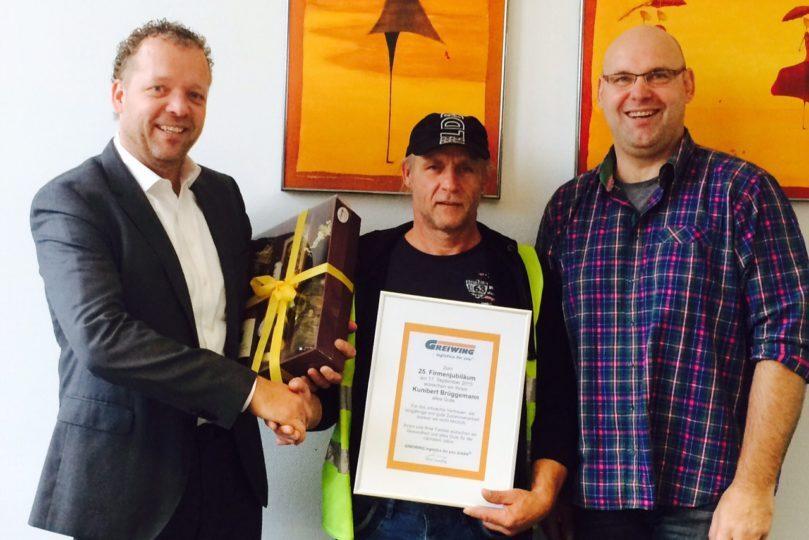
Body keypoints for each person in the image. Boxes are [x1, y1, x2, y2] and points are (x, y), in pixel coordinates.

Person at [28, 19, 351, 539]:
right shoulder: (72, 200)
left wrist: (304, 362)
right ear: (119, 95)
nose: (179, 107)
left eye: (195, 94)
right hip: (126, 485)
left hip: (228, 473)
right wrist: (252, 392)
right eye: (159, 88)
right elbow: (102, 339)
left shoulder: (221, 195)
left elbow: (247, 321)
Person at [536, 25, 809, 540]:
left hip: (708, 501)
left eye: (657, 75)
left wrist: (754, 486)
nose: (639, 92)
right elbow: (554, 362)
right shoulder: (567, 211)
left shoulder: (743, 193)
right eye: (622, 78)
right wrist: (551, 485)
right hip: (594, 500)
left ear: (688, 84)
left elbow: (787, 342)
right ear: (601, 92)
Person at [308, 112, 578, 539]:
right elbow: (324, 392)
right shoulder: (360, 263)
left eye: (465, 168)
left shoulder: (525, 271)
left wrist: (543, 497)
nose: (450, 183)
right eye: (434, 167)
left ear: (485, 178)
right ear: (407, 174)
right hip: (381, 513)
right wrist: (300, 405)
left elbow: (558, 401)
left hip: (492, 516)